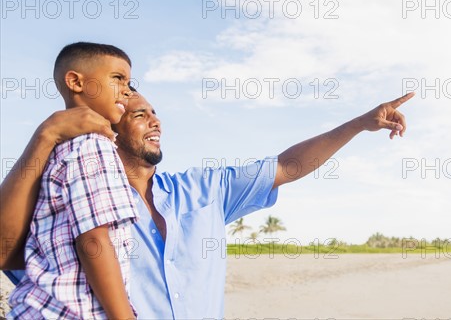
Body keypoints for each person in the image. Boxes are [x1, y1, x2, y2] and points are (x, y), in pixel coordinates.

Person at [1, 73, 414, 318]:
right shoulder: (76, 201)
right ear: (110, 125)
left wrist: (360, 123)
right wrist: (45, 138)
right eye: (139, 114)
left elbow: (288, 166)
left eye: (155, 112)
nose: (155, 120)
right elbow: (6, 253)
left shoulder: (201, 189)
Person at [7, 43, 139, 319]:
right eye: (118, 78)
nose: (127, 90)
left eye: (129, 82)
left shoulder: (59, 149)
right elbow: (94, 240)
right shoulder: (93, 145)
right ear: (76, 81)